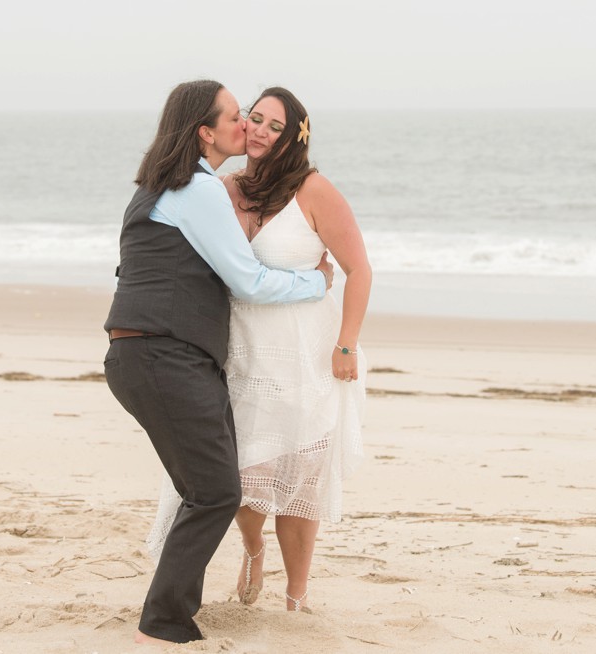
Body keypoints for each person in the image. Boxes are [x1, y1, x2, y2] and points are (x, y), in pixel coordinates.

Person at [103, 80, 334, 646]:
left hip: (149, 353)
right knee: (215, 493)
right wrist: (317, 281)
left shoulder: (161, 185)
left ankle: (170, 610)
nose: (246, 126)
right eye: (235, 116)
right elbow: (248, 280)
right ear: (206, 132)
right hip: (163, 355)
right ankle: (164, 621)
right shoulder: (199, 189)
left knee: (205, 489)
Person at [223, 87, 371, 612]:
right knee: (242, 475)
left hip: (308, 357)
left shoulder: (314, 191)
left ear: (294, 137)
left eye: (274, 125)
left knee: (299, 479)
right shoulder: (225, 189)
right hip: (242, 355)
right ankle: (253, 547)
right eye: (255, 118)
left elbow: (358, 271)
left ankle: (296, 595)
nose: (260, 130)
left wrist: (347, 346)